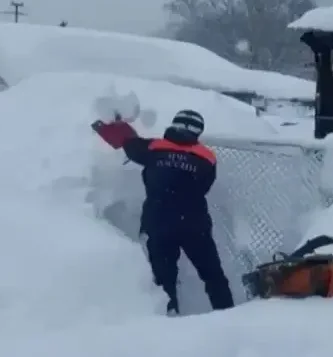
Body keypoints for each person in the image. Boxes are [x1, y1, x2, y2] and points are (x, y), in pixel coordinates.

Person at [94, 109, 235, 315]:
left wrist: (109, 124)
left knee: (163, 278)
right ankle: (228, 315)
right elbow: (205, 186)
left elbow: (126, 142)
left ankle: (168, 321)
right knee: (213, 275)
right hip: (194, 224)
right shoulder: (207, 158)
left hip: (158, 221)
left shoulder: (151, 147)